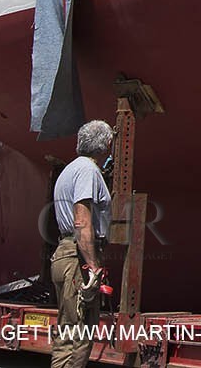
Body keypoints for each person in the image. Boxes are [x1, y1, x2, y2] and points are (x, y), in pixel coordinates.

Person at [50, 119, 113, 368]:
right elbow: (82, 220)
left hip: (64, 254)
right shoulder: (88, 171)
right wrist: (94, 267)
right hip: (77, 258)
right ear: (107, 144)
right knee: (79, 336)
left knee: (68, 331)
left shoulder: (70, 169)